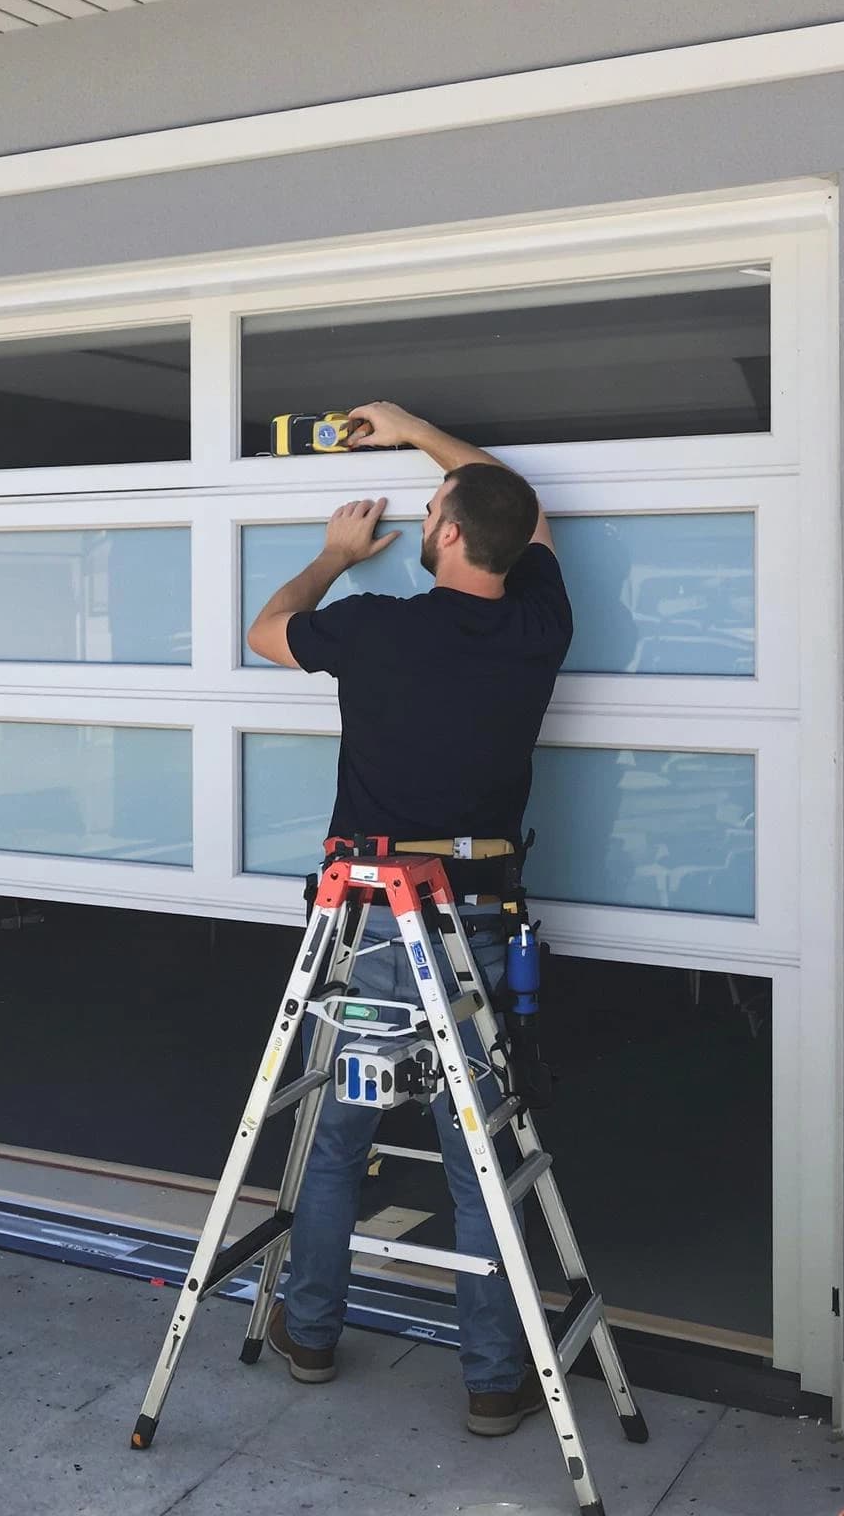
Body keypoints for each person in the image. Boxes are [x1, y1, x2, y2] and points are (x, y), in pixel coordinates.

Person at [244, 399, 572, 1440]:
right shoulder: (537, 624)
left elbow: (264, 634)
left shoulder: (375, 623)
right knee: (477, 1148)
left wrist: (333, 555)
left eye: (431, 509)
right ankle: (488, 1380)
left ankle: (309, 1334)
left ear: (440, 533)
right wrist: (428, 438)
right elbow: (529, 518)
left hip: (377, 928)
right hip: (475, 923)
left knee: (337, 1133)